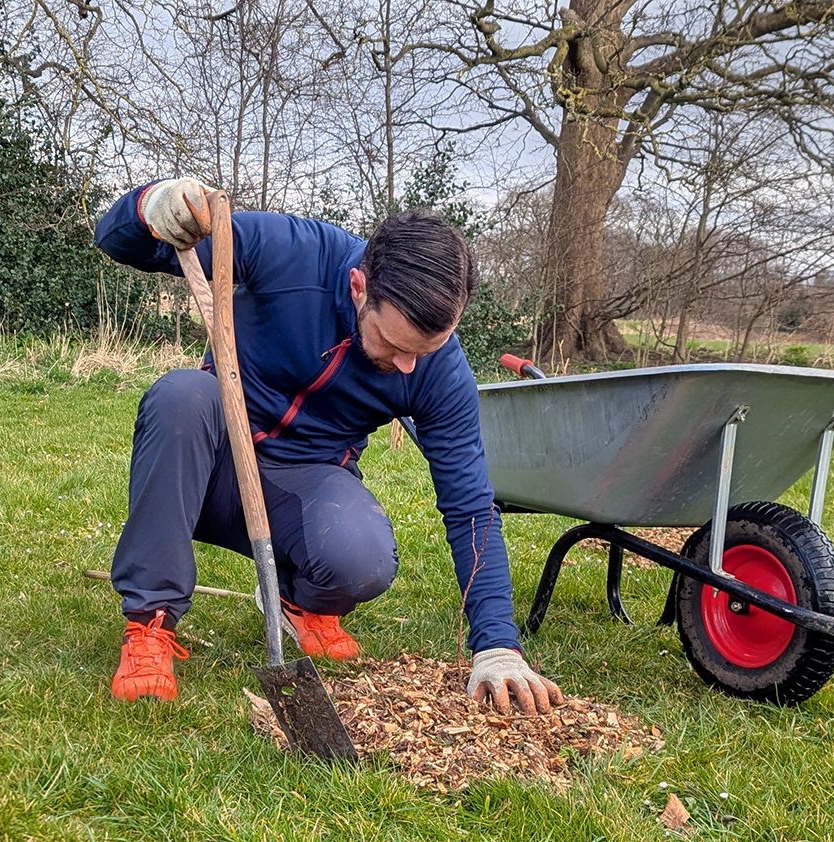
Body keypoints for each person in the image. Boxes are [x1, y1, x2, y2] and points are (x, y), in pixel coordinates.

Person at [94, 177, 564, 715]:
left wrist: (497, 645)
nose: (408, 365)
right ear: (360, 287)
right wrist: (149, 207)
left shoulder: (439, 372)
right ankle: (151, 623)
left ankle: (303, 604)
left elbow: (471, 508)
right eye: (393, 343)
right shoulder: (294, 255)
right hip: (207, 466)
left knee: (360, 557)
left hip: (304, 481)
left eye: (425, 350)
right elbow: (118, 241)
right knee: (182, 395)